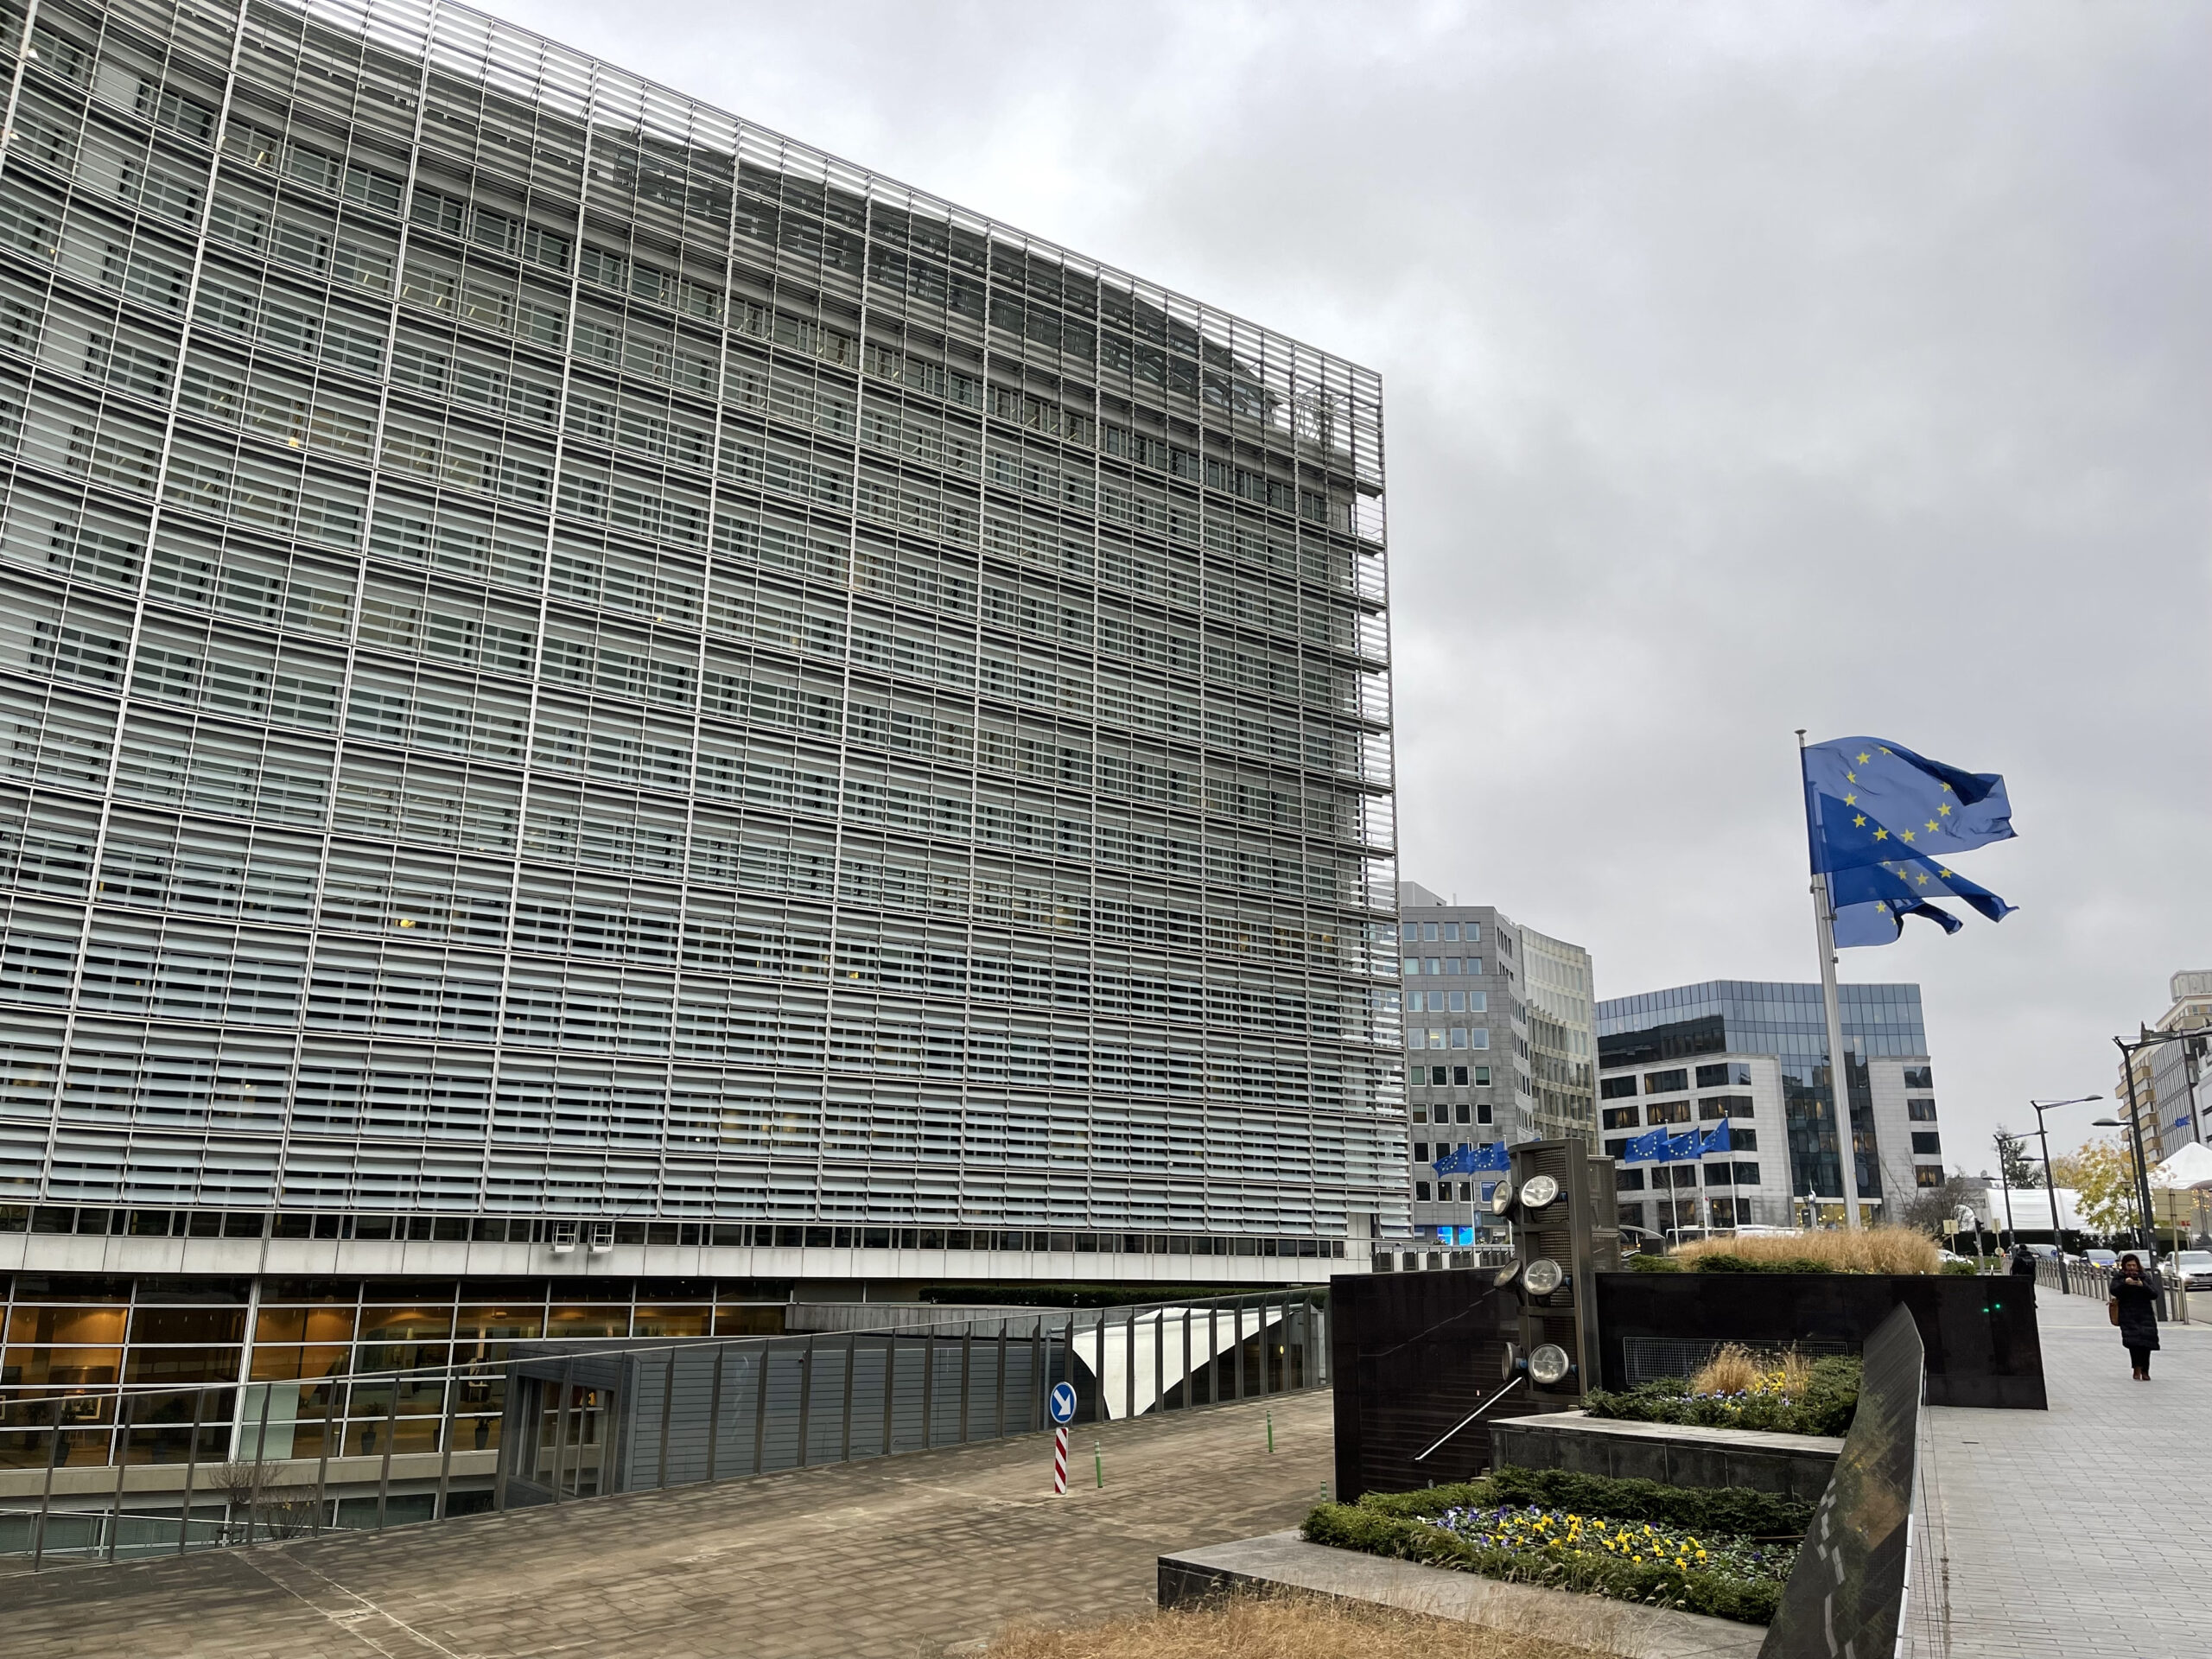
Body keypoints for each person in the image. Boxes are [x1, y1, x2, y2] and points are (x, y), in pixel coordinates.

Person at [2109, 1254, 2160, 1380]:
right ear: (2124, 1266)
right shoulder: (2120, 1277)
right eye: (2129, 1265)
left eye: (2134, 1265)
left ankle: (2145, 1370)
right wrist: (2124, 1283)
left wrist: (2142, 1285)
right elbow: (2114, 1290)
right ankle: (2137, 1368)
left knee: (2146, 1344)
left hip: (2145, 1315)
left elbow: (2154, 1294)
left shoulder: (2144, 1277)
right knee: (2134, 1343)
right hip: (2128, 1314)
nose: (2132, 1268)